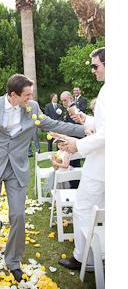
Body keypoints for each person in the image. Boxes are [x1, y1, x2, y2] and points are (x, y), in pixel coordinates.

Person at [0, 74, 86, 283]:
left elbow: (54, 124)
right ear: (13, 95)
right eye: (27, 95)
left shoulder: (33, 108)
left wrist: (85, 129)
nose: (31, 98)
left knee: (18, 215)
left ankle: (13, 260)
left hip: (17, 169)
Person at [56, 47, 105, 271]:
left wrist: (77, 145)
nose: (93, 71)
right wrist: (85, 119)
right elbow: (103, 126)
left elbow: (108, 134)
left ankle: (86, 258)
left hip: (100, 166)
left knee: (83, 208)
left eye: (96, 66)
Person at [59, 91, 82, 188]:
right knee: (71, 163)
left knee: (73, 164)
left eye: (65, 100)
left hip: (74, 141)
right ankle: (73, 185)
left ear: (71, 99)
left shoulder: (73, 108)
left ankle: (75, 186)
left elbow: (76, 125)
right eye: (62, 101)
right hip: (69, 139)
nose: (63, 102)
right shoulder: (68, 108)